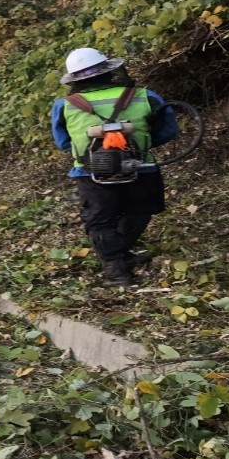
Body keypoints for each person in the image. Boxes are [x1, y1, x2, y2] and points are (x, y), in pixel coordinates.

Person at [50, 48, 178, 286]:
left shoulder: (64, 106)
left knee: (99, 220)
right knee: (139, 210)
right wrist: (139, 146)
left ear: (74, 79)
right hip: (140, 166)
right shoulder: (145, 96)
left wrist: (94, 152)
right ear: (110, 71)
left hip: (90, 171)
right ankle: (119, 257)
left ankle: (116, 268)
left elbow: (63, 142)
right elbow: (168, 130)